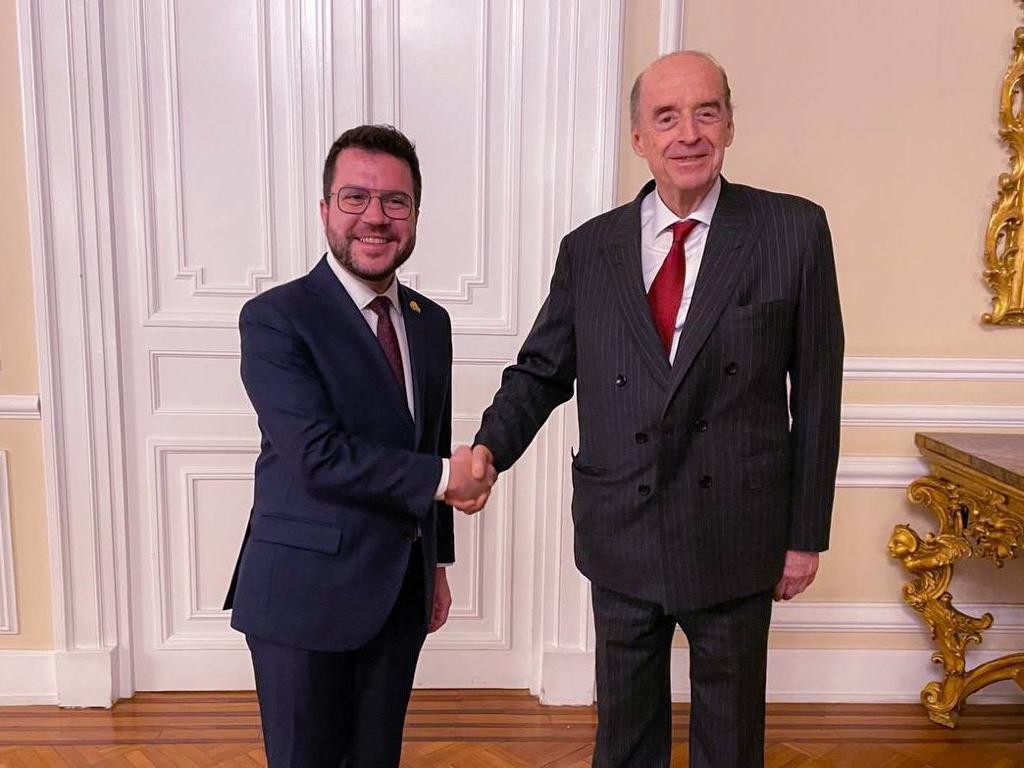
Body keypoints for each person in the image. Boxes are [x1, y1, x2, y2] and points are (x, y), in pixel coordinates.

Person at [468, 52, 844, 767]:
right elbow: (543, 370)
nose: (688, 134)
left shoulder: (793, 231)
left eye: (706, 112)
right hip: (622, 527)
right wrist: (489, 450)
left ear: (730, 123)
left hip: (737, 529)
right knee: (625, 739)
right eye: (666, 117)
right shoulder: (590, 249)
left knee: (730, 742)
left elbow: (820, 393)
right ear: (637, 137)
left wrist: (806, 534)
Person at [223, 124, 495, 768]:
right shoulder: (275, 318)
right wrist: (439, 478)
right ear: (325, 211)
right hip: (301, 595)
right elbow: (316, 454)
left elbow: (429, 433)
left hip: (398, 590)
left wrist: (436, 563)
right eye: (355, 198)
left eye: (395, 202)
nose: (376, 217)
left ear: (415, 216)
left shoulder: (431, 322)